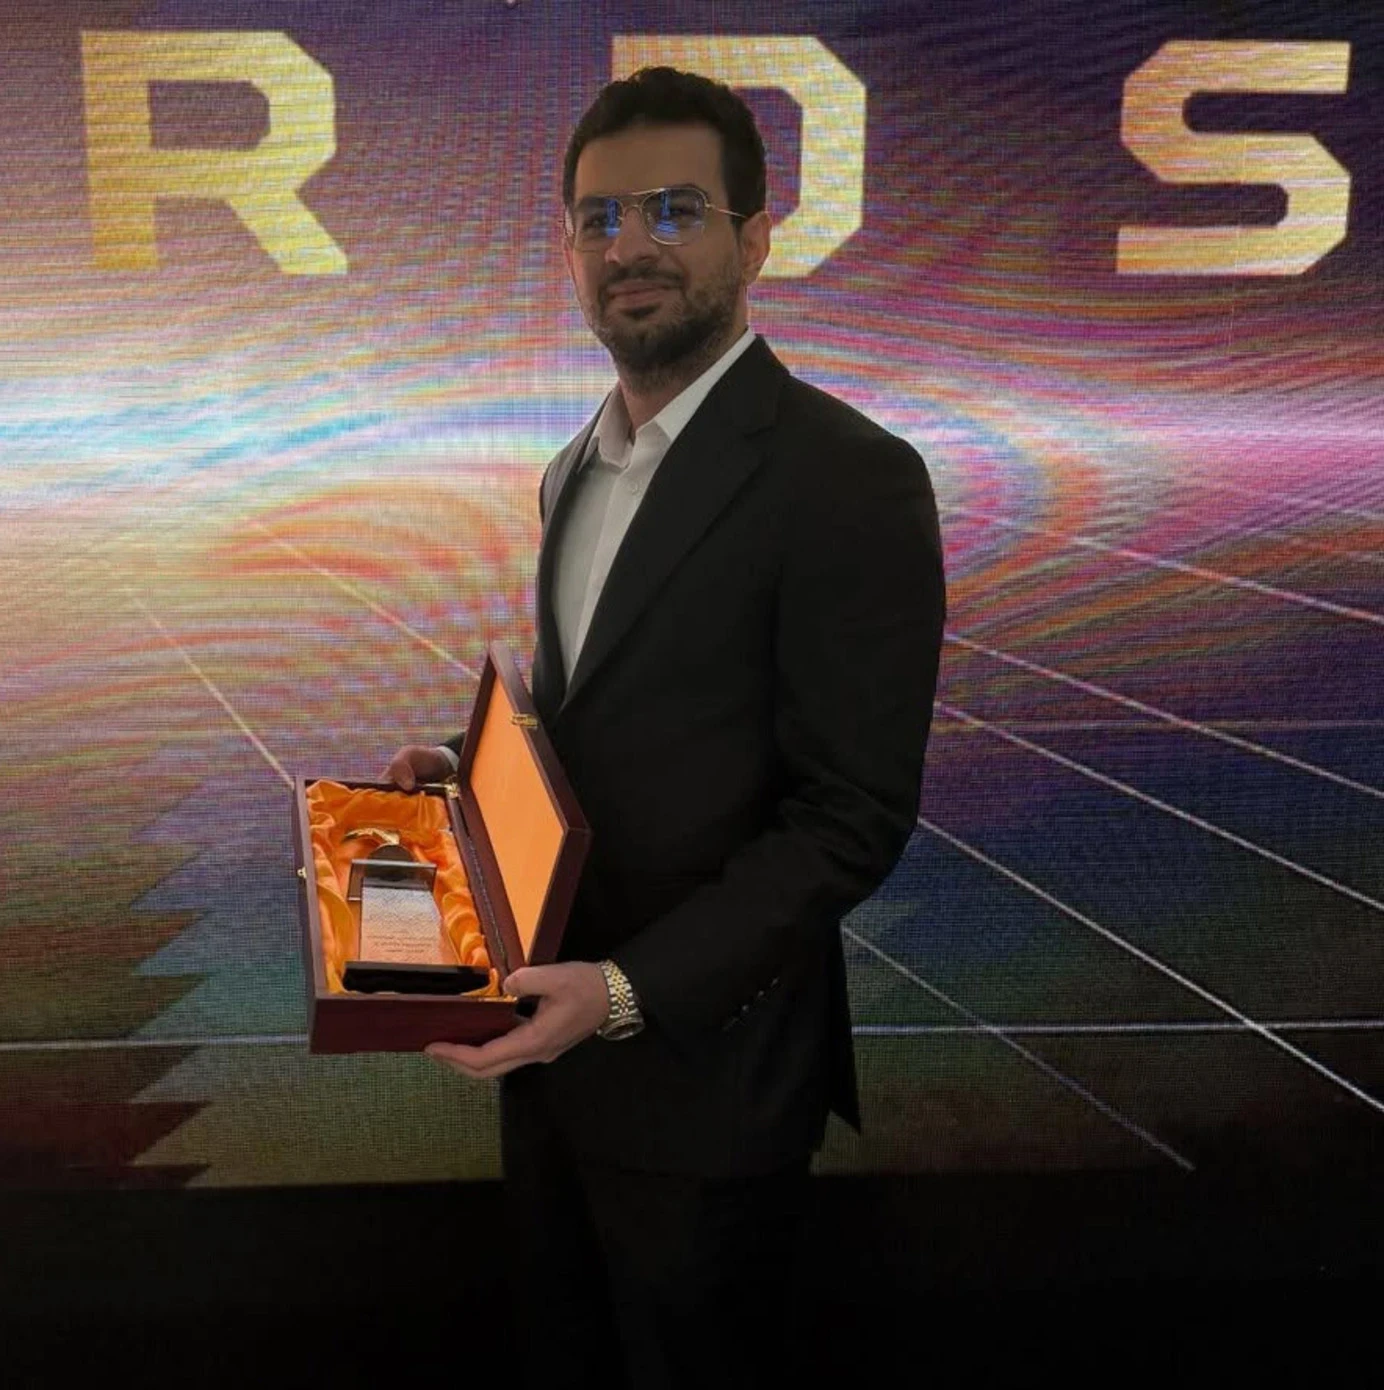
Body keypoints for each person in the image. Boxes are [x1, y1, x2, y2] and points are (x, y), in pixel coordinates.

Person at [385, 66, 945, 1389]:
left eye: (674, 211)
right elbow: (606, 724)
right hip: (550, 1067)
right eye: (599, 218)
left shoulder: (852, 479)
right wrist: (466, 777)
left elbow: (850, 819)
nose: (629, 245)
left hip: (711, 1091)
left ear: (756, 241)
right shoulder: (572, 469)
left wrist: (626, 992)